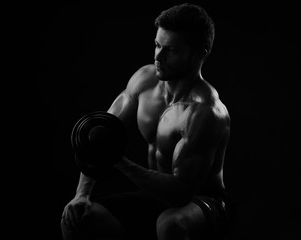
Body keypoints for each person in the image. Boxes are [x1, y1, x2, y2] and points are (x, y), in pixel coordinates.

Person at [61, 3, 236, 240]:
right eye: (157, 45)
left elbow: (179, 194)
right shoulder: (143, 81)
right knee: (77, 219)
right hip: (153, 194)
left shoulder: (206, 111)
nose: (158, 57)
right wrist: (82, 194)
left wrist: (117, 160)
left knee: (171, 224)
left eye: (171, 50)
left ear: (199, 54)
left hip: (202, 201)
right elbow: (101, 132)